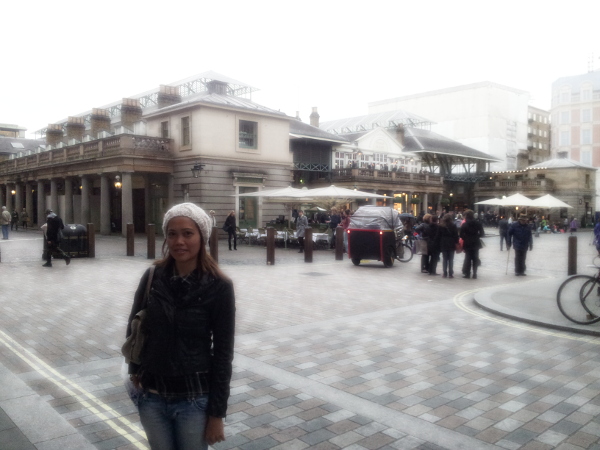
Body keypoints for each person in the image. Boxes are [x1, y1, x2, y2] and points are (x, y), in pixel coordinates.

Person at [126, 202, 235, 449]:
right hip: (152, 397)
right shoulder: (153, 276)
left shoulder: (219, 286)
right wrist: (135, 370)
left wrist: (217, 414)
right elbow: (135, 328)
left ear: (202, 237)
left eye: (187, 233)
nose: (179, 241)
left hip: (194, 400)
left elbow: (223, 354)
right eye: (172, 234)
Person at [460, 209, 484, 279]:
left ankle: (467, 274)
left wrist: (466, 238)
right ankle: (475, 273)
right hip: (476, 242)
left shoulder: (465, 224)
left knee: (468, 258)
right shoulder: (478, 223)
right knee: (475, 258)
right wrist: (477, 236)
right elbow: (482, 233)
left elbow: (461, 234)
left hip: (467, 243)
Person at [436, 213, 459, 278]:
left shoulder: (441, 226)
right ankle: (451, 273)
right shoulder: (453, 225)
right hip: (451, 243)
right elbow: (456, 235)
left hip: (443, 243)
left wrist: (438, 243)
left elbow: (438, 236)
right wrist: (457, 242)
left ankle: (445, 273)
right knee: (451, 259)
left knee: (445, 259)